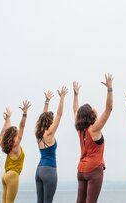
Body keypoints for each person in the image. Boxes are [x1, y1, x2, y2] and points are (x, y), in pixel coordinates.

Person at [73, 74, 113, 203]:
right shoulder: (94, 128)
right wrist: (110, 89)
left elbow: (75, 111)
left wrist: (76, 95)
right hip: (94, 169)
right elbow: (108, 109)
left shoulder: (80, 129)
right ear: (91, 114)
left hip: (81, 170)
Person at [35, 86, 68, 203]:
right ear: (49, 121)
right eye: (52, 119)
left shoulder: (39, 134)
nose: (54, 120)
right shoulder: (49, 134)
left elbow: (42, 117)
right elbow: (59, 115)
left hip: (39, 170)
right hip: (49, 170)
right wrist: (62, 98)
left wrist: (47, 101)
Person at [1, 100, 31, 203]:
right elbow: (22, 126)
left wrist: (8, 118)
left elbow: (7, 130)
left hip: (5, 176)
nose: (19, 133)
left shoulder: (8, 145)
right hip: (13, 175)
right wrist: (24, 113)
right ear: (15, 134)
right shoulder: (16, 144)